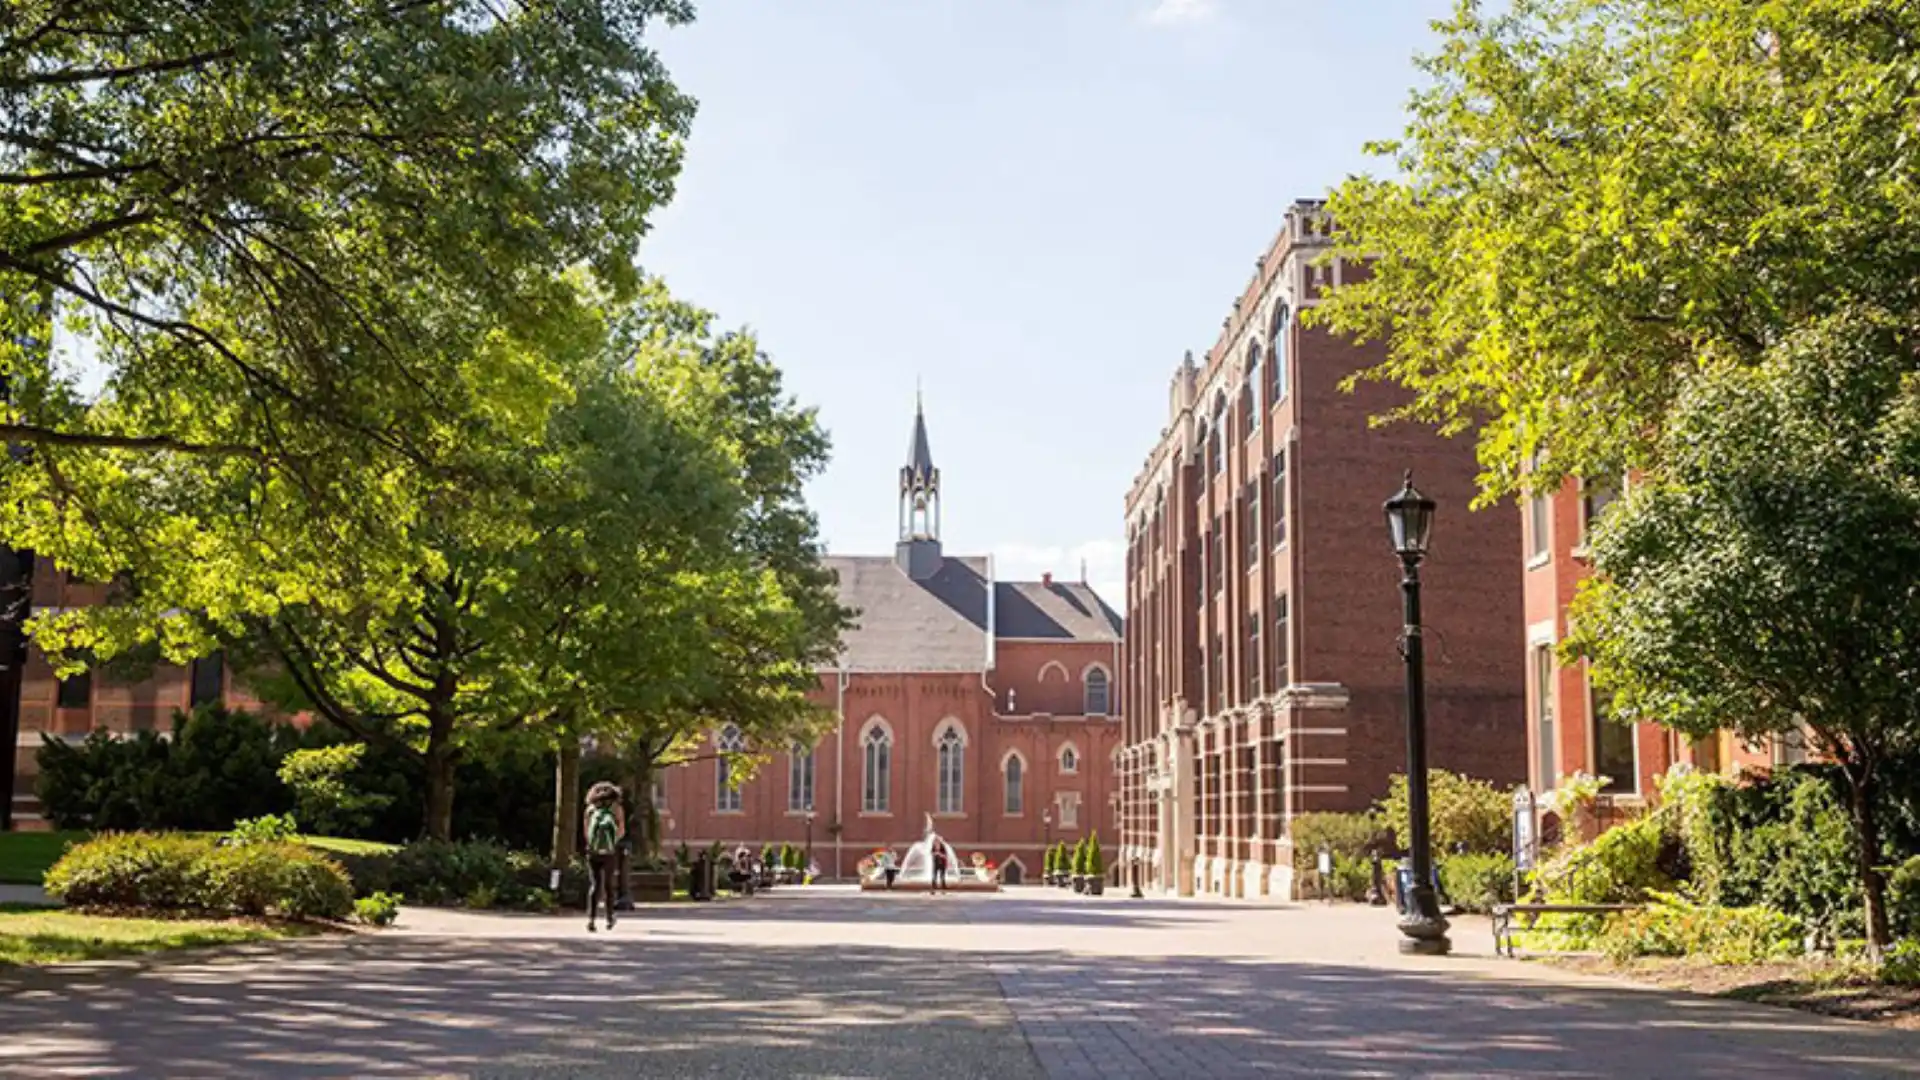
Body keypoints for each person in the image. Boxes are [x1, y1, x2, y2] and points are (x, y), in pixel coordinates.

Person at [583, 781, 626, 932]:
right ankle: (609, 918)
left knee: (595, 885)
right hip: (609, 852)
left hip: (592, 851)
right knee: (608, 885)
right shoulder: (616, 808)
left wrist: (594, 846)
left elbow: (586, 832)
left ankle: (591, 919)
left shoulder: (590, 809)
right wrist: (611, 843)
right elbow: (621, 830)